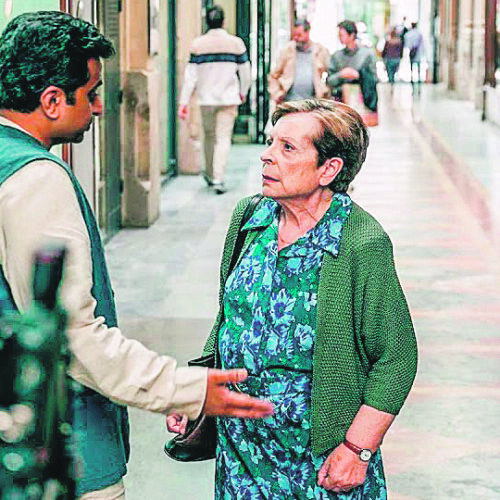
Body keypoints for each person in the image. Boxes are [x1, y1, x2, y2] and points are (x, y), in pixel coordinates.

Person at [0, 11, 273, 499]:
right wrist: (188, 388)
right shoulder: (35, 176)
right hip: (61, 448)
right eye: (92, 93)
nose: (101, 107)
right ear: (52, 100)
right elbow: (72, 337)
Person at [168, 98, 418, 498]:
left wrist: (358, 449)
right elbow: (230, 319)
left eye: (287, 148)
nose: (266, 157)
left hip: (320, 463)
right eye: (271, 143)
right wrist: (198, 391)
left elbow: (396, 358)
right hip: (242, 457)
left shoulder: (360, 244)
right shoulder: (250, 220)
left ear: (329, 169)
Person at [178, 5, 251, 195]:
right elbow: (245, 72)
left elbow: (190, 76)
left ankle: (210, 174)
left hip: (206, 99)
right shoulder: (236, 44)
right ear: (224, 22)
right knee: (223, 138)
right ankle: (218, 178)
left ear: (206, 22)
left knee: (208, 137)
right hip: (228, 98)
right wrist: (243, 92)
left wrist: (183, 102)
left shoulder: (198, 44)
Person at [328, 20, 379, 127]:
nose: (339, 37)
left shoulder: (366, 55)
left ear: (352, 35)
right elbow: (330, 80)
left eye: (342, 35)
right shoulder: (336, 56)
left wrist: (359, 75)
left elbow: (374, 78)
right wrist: (341, 74)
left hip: (362, 103)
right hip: (342, 105)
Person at [268, 19, 330, 105]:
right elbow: (274, 75)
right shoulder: (287, 51)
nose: (296, 38)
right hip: (289, 102)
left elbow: (330, 74)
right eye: (295, 35)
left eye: (299, 35)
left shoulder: (320, 51)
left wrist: (325, 92)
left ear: (307, 32)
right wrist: (275, 94)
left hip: (312, 104)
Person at [382, 27, 404, 92]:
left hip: (389, 59)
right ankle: (392, 84)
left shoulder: (388, 42)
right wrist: (400, 58)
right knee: (394, 72)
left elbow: (384, 51)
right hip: (396, 59)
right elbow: (401, 51)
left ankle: (391, 84)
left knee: (390, 73)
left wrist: (383, 58)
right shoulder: (399, 42)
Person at [404, 22, 424, 88]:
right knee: (418, 67)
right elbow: (422, 44)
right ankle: (418, 79)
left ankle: (412, 78)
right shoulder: (419, 34)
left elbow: (407, 44)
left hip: (412, 52)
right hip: (418, 52)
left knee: (412, 66)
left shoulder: (408, 34)